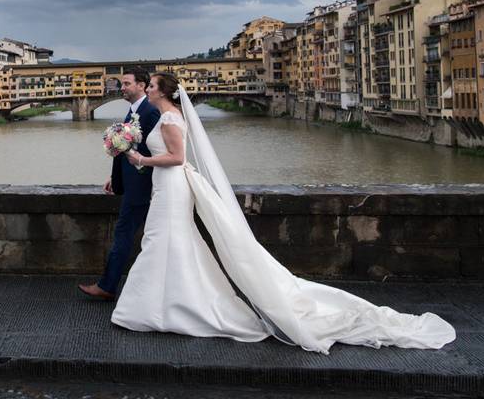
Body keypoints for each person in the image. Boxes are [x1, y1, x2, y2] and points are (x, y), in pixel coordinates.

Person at [113, 72, 455, 354]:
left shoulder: (171, 118)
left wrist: (140, 159)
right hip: (165, 186)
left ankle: (166, 307)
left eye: (152, 85)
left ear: (162, 91)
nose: (149, 88)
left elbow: (176, 157)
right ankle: (172, 303)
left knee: (163, 240)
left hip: (172, 184)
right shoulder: (168, 115)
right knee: (170, 242)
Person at [78, 68, 161, 301]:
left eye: (126, 84)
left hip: (142, 187)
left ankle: (107, 285)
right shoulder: (134, 111)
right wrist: (116, 178)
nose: (121, 88)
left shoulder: (150, 111)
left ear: (142, 85)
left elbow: (158, 149)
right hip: (133, 184)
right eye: (121, 84)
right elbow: (127, 150)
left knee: (124, 234)